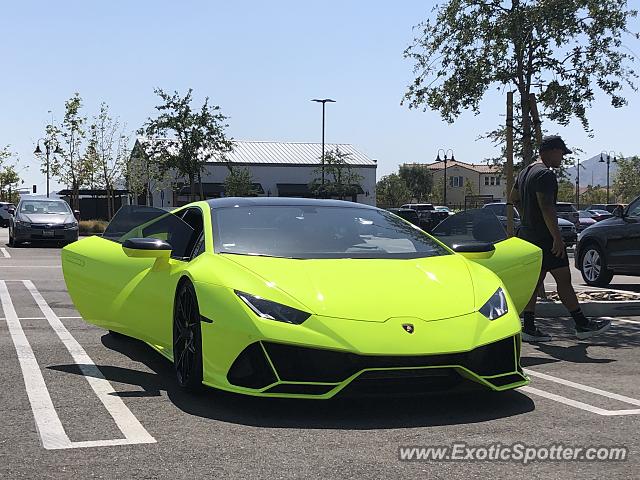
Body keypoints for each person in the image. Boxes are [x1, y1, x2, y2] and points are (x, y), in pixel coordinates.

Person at [509, 135, 611, 342]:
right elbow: (547, 207)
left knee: (535, 281)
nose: (562, 158)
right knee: (564, 280)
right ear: (550, 151)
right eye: (561, 153)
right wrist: (556, 237)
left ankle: (528, 327)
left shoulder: (525, 172)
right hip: (545, 238)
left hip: (527, 235)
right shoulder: (545, 174)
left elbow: (513, 198)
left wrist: (527, 217)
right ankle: (582, 324)